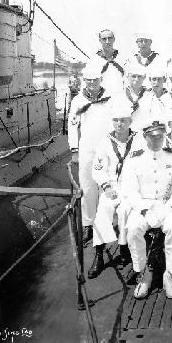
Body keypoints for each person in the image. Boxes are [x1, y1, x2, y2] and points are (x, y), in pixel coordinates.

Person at [121, 118, 172, 299]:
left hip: (167, 205)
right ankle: (143, 275)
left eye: (160, 137)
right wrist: (143, 209)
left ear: (164, 136)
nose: (157, 141)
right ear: (145, 136)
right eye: (152, 137)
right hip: (143, 206)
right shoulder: (134, 160)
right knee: (133, 229)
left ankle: (168, 274)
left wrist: (171, 206)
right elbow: (130, 190)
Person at [88, 106, 142, 278]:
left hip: (132, 188)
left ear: (130, 122)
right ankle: (99, 255)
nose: (120, 124)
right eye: (117, 120)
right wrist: (106, 187)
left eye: (124, 120)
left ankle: (125, 250)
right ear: (113, 122)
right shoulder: (105, 142)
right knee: (102, 212)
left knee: (126, 212)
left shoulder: (139, 140)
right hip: (112, 187)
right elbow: (98, 170)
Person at [68, 65, 114, 244]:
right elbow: (72, 126)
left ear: (100, 80)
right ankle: (88, 224)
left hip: (105, 147)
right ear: (84, 82)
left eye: (95, 80)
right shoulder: (78, 101)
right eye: (89, 80)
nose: (92, 83)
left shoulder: (109, 99)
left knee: (106, 185)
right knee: (87, 187)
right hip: (87, 147)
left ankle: (105, 224)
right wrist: (74, 150)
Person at [90, 28, 126, 96]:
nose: (107, 41)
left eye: (109, 38)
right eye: (104, 39)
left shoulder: (122, 58)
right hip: (101, 99)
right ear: (100, 40)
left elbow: (127, 80)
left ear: (114, 39)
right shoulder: (93, 61)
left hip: (120, 98)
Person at [119, 63, 148, 132]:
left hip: (144, 134)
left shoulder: (150, 96)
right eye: (133, 76)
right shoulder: (120, 96)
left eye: (139, 76)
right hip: (126, 134)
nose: (136, 79)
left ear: (144, 77)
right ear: (128, 77)